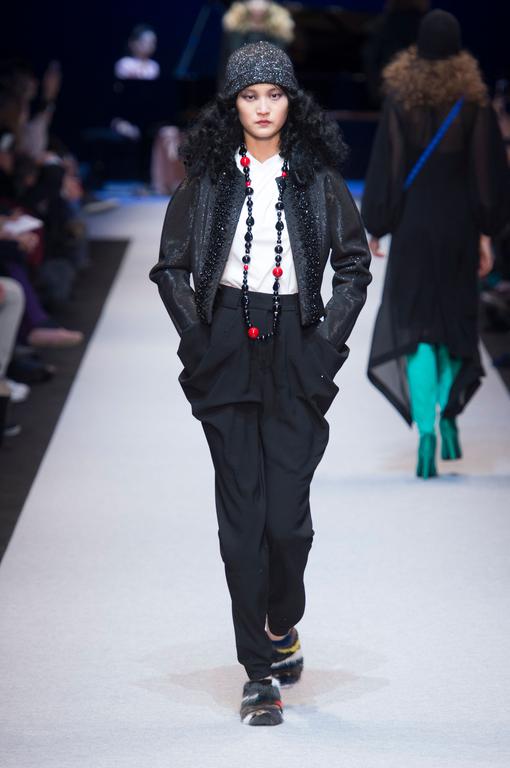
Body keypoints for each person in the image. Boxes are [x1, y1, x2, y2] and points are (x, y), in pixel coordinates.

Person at [149, 41, 371, 725]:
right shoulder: (208, 177)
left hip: (298, 345)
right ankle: (258, 672)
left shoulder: (317, 179)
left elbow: (354, 266)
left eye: (274, 94)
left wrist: (327, 345)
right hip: (226, 345)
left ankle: (281, 621)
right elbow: (171, 266)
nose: (264, 107)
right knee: (242, 524)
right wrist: (197, 340)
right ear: (234, 105)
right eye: (251, 96)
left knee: (288, 526)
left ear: (291, 102)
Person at [361, 10, 510, 478]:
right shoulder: (473, 102)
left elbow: (387, 168)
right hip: (458, 228)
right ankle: (449, 414)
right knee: (452, 325)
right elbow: (486, 179)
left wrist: (377, 225)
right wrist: (485, 233)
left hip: (412, 227)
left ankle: (425, 431)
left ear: (418, 48)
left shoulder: (400, 99)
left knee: (416, 328)